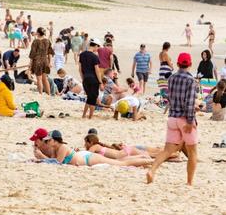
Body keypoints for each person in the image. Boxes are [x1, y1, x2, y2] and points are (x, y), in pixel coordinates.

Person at [146, 52, 199, 186]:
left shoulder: (171, 78)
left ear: (177, 64)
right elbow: (190, 102)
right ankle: (189, 182)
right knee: (193, 152)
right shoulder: (191, 80)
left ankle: (152, 170)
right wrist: (190, 120)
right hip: (184, 118)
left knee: (167, 151)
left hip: (172, 118)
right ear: (190, 64)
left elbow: (170, 98)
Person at [46, 130, 153, 167]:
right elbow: (52, 160)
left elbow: (57, 163)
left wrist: (40, 158)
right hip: (88, 158)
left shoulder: (62, 147)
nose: (47, 142)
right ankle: (146, 158)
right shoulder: (56, 149)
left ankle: (151, 160)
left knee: (122, 163)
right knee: (121, 162)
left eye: (48, 140)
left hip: (90, 159)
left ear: (55, 140)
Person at [79, 39, 102, 119]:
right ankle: (90, 117)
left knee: (89, 97)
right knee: (93, 99)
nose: (97, 49)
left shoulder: (82, 55)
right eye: (98, 47)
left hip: (85, 78)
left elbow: (80, 69)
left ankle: (84, 115)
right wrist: (100, 82)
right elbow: (97, 71)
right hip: (93, 79)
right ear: (95, 45)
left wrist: (83, 79)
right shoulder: (94, 57)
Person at [29, 27, 54, 95]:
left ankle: (40, 94)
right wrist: (50, 62)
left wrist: (30, 65)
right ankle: (48, 94)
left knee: (39, 79)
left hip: (37, 61)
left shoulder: (35, 41)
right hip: (45, 61)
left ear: (38, 33)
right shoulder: (47, 41)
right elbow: (50, 52)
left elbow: (32, 54)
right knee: (45, 79)